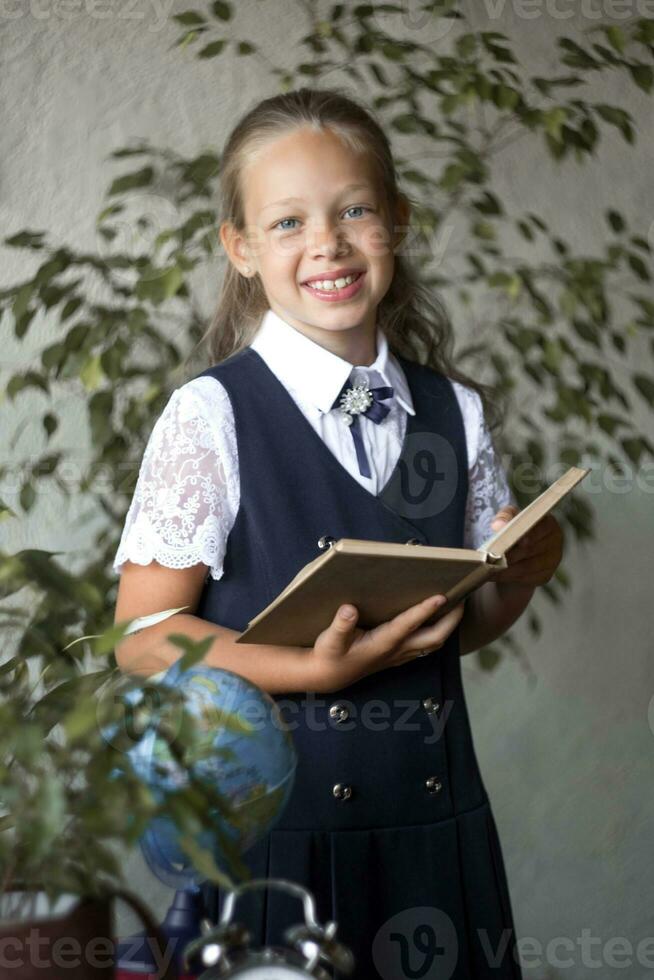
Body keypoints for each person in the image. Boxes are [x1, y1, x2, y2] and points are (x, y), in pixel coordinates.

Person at [112, 87, 563, 979]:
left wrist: (517, 577)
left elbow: (454, 626)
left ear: (395, 221)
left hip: (438, 831)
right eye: (287, 223)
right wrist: (313, 672)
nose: (327, 242)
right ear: (240, 249)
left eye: (355, 209)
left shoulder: (454, 411)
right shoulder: (211, 415)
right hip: (283, 854)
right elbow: (143, 638)